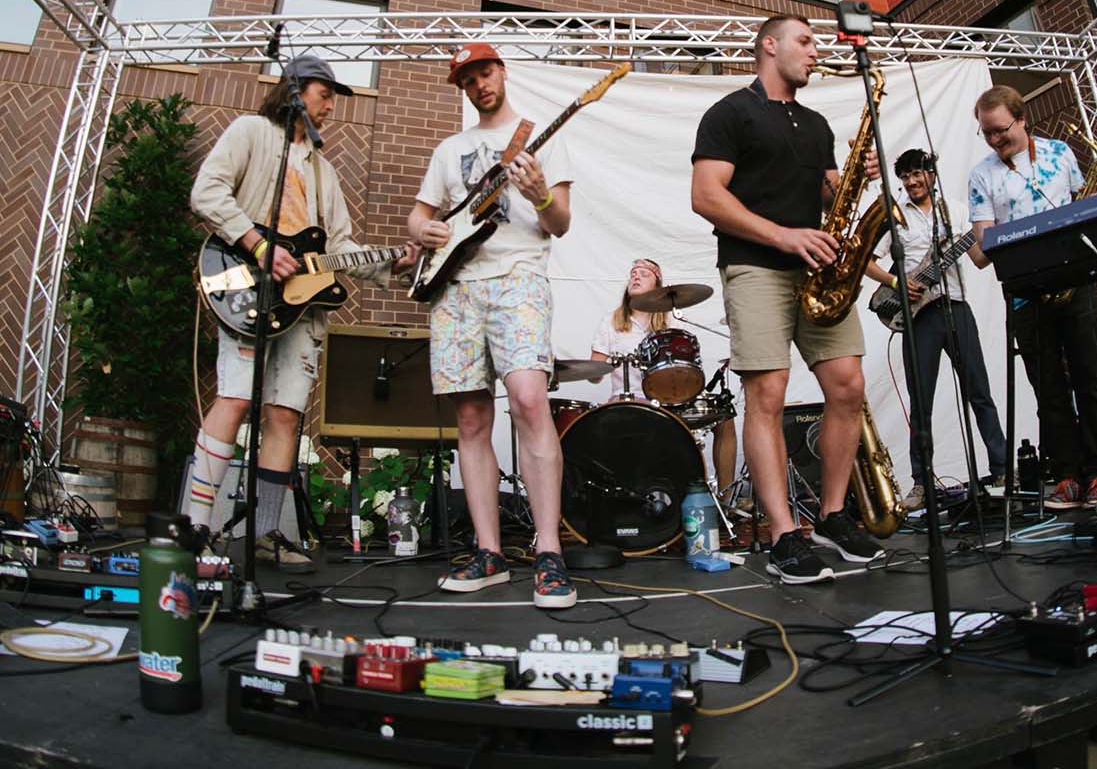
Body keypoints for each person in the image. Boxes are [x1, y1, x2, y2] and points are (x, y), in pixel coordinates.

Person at [187, 56, 417, 569]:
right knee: (234, 399)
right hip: (250, 291)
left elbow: (338, 247)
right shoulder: (251, 132)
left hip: (303, 309)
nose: (331, 106)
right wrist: (257, 244)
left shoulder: (323, 171)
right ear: (294, 91)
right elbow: (207, 192)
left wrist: (392, 263)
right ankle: (195, 528)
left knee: (285, 415)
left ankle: (267, 533)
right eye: (324, 94)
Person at [691, 13, 883, 584]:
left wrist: (855, 176)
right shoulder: (730, 112)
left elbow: (828, 196)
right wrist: (782, 235)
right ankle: (782, 534)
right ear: (769, 46)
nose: (815, 51)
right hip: (755, 266)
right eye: (805, 41)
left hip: (817, 270)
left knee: (848, 386)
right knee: (768, 394)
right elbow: (705, 196)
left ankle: (832, 515)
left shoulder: (817, 123)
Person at [407, 43, 578, 608]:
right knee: (471, 416)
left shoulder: (541, 139)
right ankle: (489, 552)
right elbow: (419, 215)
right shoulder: (449, 149)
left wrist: (539, 194)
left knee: (529, 399)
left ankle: (548, 550)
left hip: (518, 277)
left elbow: (560, 224)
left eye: (485, 72)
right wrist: (424, 231)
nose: (480, 84)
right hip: (456, 287)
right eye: (469, 80)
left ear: (502, 72)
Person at [966, 85, 1097, 511]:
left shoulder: (1060, 153)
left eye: (1000, 130)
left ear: (1021, 118)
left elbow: (1083, 205)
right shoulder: (981, 174)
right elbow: (982, 245)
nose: (994, 140)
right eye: (987, 133)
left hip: (1073, 280)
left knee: (1090, 378)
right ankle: (1066, 475)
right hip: (1025, 292)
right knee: (1048, 389)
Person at [864, 149, 1007, 508]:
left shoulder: (956, 211)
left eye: (917, 174)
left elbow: (978, 259)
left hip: (955, 307)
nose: (912, 182)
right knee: (921, 401)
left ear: (931, 174)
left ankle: (1003, 469)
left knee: (979, 390)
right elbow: (865, 262)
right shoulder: (895, 217)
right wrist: (897, 283)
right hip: (918, 318)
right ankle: (921, 482)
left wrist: (998, 236)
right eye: (905, 176)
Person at [588, 258, 737, 495]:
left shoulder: (671, 320)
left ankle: (726, 498)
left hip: (669, 401)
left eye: (644, 274)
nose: (636, 277)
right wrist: (596, 367)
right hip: (628, 402)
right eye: (633, 273)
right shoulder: (611, 321)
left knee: (724, 417)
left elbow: (687, 366)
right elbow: (594, 376)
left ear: (658, 286)